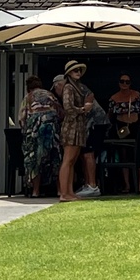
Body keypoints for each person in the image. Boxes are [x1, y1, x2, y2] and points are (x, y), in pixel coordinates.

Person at [55, 61, 95, 202]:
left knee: (72, 161)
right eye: (74, 70)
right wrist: (84, 109)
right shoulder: (68, 87)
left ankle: (69, 192)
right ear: (69, 73)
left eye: (79, 70)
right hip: (71, 127)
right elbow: (68, 108)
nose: (77, 72)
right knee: (68, 160)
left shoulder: (76, 87)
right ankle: (64, 193)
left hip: (77, 127)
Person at [17, 75, 61, 197]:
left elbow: (22, 118)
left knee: (35, 160)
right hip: (52, 133)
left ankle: (35, 191)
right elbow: (60, 112)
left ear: (28, 88)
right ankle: (59, 190)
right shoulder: (50, 95)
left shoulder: (28, 97)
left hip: (36, 134)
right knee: (56, 159)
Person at [108, 73, 140, 192]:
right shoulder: (114, 98)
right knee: (124, 155)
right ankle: (127, 185)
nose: (125, 84)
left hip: (135, 125)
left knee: (139, 154)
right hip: (121, 127)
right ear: (118, 83)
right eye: (122, 81)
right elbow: (110, 115)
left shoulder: (136, 95)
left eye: (127, 82)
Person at [81, 86, 111, 197]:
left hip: (95, 124)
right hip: (91, 125)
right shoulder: (75, 88)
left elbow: (89, 99)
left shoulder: (78, 89)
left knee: (89, 153)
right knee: (84, 153)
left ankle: (92, 186)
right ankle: (87, 184)